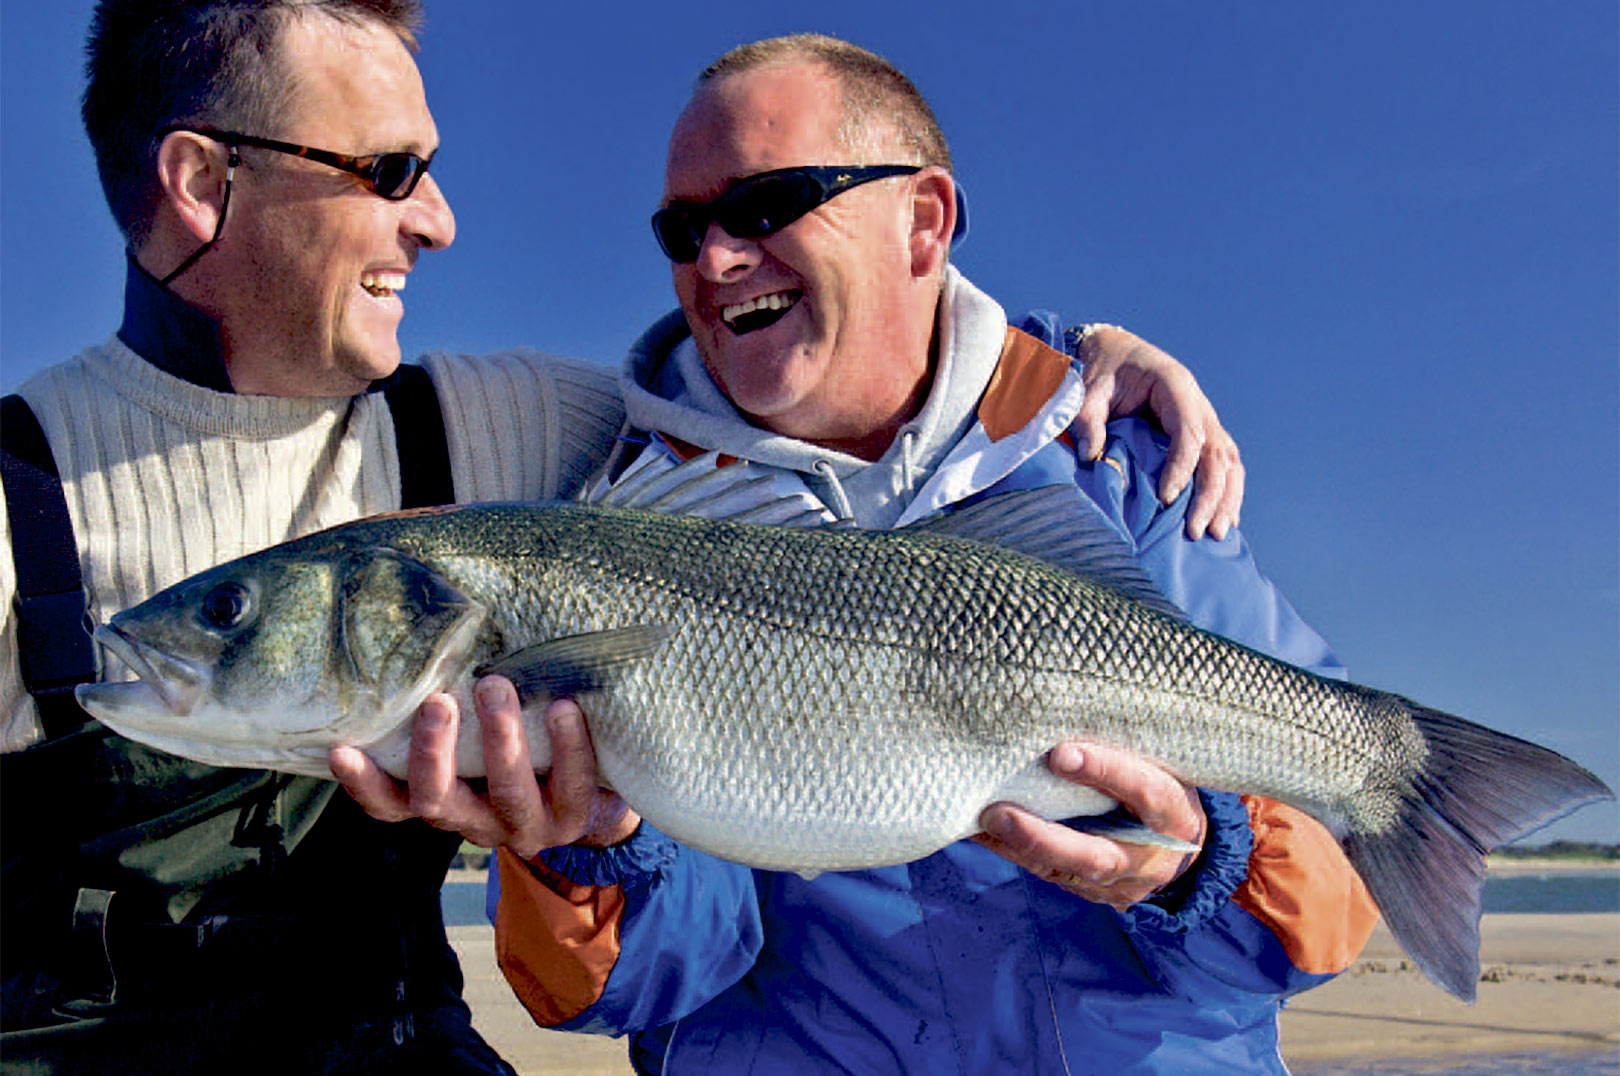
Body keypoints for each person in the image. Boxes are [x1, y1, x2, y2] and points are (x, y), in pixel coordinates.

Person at [0, 6, 1236, 1074]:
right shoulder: (15, 501)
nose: (438, 219)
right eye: (386, 170)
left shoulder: (518, 423)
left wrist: (1071, 364)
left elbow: (826, 371)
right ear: (202, 183)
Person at [336, 33, 1381, 1076]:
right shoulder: (628, 532)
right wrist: (587, 848)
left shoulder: (1116, 456)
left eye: (763, 204)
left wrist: (1201, 861)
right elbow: (646, 984)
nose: (714, 258)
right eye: (680, 226)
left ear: (923, 221)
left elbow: (1333, 902)